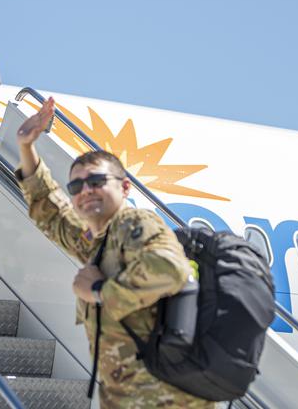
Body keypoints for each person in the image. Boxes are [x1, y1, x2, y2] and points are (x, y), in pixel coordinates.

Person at [14, 97, 213, 408]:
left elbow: (170, 269)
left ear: (124, 187)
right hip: (127, 396)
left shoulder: (133, 224)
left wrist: (97, 290)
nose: (85, 191)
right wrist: (26, 147)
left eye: (96, 181)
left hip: (164, 399)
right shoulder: (98, 242)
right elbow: (51, 213)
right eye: (76, 187)